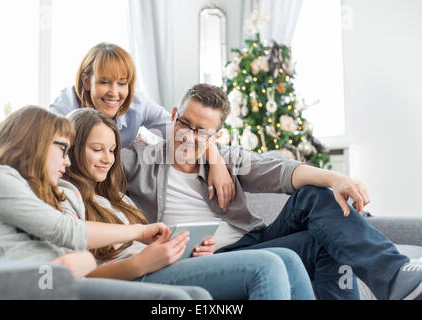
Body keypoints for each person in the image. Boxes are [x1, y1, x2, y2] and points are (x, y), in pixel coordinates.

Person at [120, 83, 422, 300]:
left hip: (253, 242)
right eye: (184, 123)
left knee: (316, 197)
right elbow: (92, 148)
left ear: (217, 135)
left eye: (202, 131)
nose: (188, 136)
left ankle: (394, 275)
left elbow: (279, 171)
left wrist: (335, 178)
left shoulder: (225, 158)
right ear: (173, 115)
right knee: (323, 242)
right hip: (211, 259)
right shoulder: (142, 161)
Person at [59, 107, 315, 300]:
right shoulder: (65, 195)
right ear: (73, 148)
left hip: (162, 267)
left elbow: (141, 243)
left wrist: (182, 247)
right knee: (266, 266)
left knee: (288, 259)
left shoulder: (117, 197)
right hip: (135, 277)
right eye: (97, 149)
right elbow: (70, 276)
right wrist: (141, 263)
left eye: (113, 150)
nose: (108, 158)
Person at [0, 105, 212, 300]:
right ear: (37, 144)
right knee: (176, 300)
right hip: (35, 285)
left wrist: (81, 262)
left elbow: (74, 252)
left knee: (196, 294)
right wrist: (139, 231)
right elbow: (68, 232)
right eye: (63, 150)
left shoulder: (36, 191)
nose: (67, 163)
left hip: (58, 280)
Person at [49, 42, 234, 212]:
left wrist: (216, 161)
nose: (114, 92)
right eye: (105, 82)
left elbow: (180, 129)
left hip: (111, 182)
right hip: (71, 181)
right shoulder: (64, 108)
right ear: (86, 81)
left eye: (122, 83)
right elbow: (46, 157)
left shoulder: (137, 104)